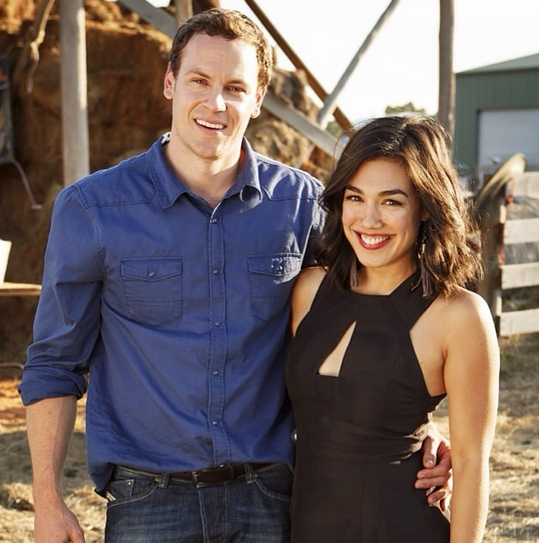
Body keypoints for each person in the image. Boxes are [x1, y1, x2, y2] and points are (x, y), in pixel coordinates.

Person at [19, 10, 451, 543]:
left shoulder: (303, 205)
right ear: (170, 81)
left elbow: (371, 311)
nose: (215, 103)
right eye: (199, 80)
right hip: (148, 500)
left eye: (235, 87)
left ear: (258, 98)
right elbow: (55, 362)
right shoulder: (92, 209)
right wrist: (47, 500)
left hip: (270, 496)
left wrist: (419, 424)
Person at [285, 114, 500, 543]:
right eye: (355, 197)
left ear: (426, 207)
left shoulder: (459, 316)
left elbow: (472, 464)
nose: (368, 220)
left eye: (391, 202)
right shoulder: (309, 290)